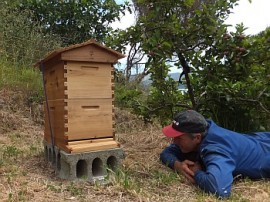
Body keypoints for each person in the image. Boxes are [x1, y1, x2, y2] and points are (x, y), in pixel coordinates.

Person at [160, 110, 270, 198]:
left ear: (197, 138)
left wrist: (197, 172)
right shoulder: (202, 129)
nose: (174, 142)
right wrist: (177, 165)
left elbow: (218, 188)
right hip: (258, 140)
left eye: (179, 138)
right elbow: (167, 153)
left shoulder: (216, 149)